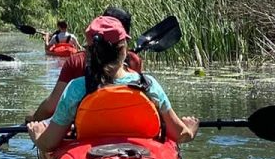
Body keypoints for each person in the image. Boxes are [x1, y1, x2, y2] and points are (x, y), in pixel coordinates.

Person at [26, 14, 197, 150]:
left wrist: (38, 135)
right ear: (124, 50)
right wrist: (190, 129)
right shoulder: (148, 85)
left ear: (89, 52)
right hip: (142, 156)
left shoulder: (77, 88)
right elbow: (180, 135)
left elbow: (49, 143)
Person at [30, 6, 142, 122]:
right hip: (125, 124)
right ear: (124, 39)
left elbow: (50, 107)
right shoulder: (135, 62)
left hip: (85, 125)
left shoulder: (76, 62)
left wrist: (33, 119)